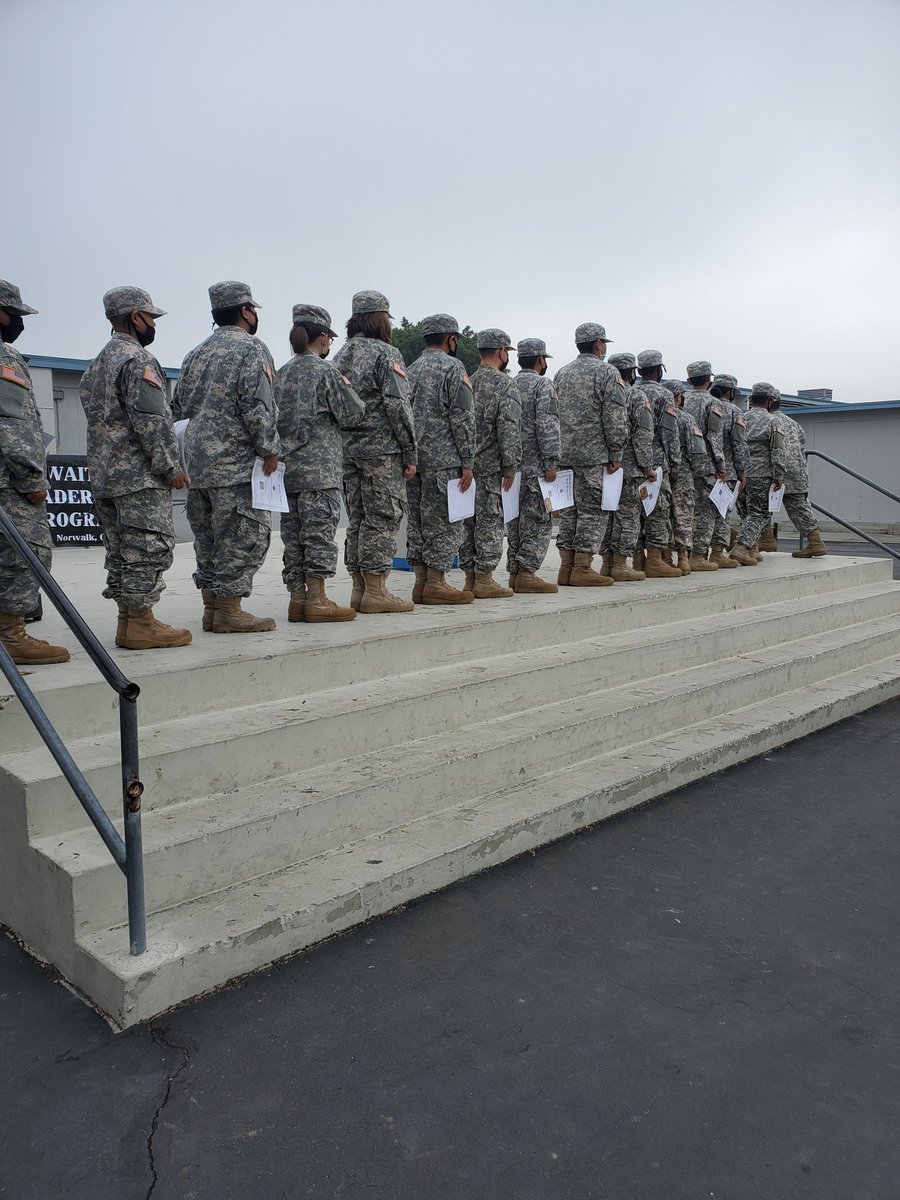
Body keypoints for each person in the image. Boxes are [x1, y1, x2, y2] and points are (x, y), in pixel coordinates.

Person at [79, 286, 190, 649]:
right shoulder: (137, 359)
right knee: (147, 547)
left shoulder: (96, 365)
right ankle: (141, 623)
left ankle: (128, 622)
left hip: (105, 475)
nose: (153, 325)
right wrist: (171, 465)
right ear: (135, 317)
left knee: (120, 551)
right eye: (151, 318)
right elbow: (152, 419)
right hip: (138, 477)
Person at [173, 280, 279, 633]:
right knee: (242, 536)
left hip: (198, 465)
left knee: (207, 538)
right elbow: (258, 405)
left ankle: (212, 609)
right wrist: (269, 448)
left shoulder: (194, 354)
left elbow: (177, 408)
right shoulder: (252, 349)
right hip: (235, 465)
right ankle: (229, 612)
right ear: (246, 311)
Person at [275, 304, 366, 622]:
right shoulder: (326, 371)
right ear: (324, 337)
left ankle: (297, 599)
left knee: (293, 537)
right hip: (319, 471)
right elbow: (353, 413)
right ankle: (317, 599)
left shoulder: (282, 372)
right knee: (318, 534)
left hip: (287, 472)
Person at [332, 290, 416, 614]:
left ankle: (359, 590)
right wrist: (410, 452)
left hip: (347, 451)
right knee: (382, 518)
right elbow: (398, 406)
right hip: (381, 452)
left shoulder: (340, 355)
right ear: (381, 320)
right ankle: (376, 591)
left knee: (357, 519)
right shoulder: (386, 353)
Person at [0, 279, 70, 664]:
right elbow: (13, 425)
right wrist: (31, 479)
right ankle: (10, 634)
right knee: (26, 552)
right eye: (14, 314)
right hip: (8, 482)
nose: (18, 322)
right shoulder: (5, 358)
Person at [405, 313, 476, 605]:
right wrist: (468, 461)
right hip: (445, 460)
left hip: (415, 461)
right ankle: (436, 583)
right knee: (445, 522)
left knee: (418, 523)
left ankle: (421, 583)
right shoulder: (453, 368)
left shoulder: (410, 369)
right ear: (451, 339)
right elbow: (462, 418)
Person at [554, 322, 627, 587]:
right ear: (598, 344)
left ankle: (566, 567)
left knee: (569, 511)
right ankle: (582, 568)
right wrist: (616, 452)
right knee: (592, 511)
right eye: (604, 343)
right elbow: (614, 416)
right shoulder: (607, 372)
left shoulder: (562, 373)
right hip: (594, 455)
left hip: (564, 454)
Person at [459, 328, 521, 599]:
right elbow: (508, 427)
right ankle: (484, 578)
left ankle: (470, 579)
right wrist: (510, 465)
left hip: (468, 468)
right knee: (490, 523)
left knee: (468, 524)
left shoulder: (468, 381)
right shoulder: (505, 384)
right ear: (502, 352)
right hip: (492, 467)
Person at [506, 338, 560, 593]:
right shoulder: (542, 385)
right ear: (540, 359)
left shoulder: (509, 383)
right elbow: (546, 424)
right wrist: (550, 462)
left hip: (512, 468)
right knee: (538, 520)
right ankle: (526, 572)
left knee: (514, 521)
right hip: (535, 467)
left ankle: (515, 573)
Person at [603, 353, 656, 581]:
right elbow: (643, 435)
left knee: (607, 516)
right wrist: (647, 467)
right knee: (628, 516)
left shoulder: (605, 392)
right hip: (631, 468)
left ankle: (606, 564)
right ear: (633, 372)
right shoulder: (636, 396)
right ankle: (620, 565)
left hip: (605, 467)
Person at [632, 350, 682, 579]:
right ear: (659, 370)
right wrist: (675, 465)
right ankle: (654, 559)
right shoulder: (664, 394)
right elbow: (670, 433)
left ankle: (637, 559)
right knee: (658, 511)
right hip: (657, 463)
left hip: (633, 462)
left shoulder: (632, 392)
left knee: (634, 513)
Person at [729, 382, 786, 565]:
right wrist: (779, 475)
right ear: (770, 401)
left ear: (752, 399)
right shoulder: (773, 421)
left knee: (746, 514)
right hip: (762, 474)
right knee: (759, 514)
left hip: (741, 474)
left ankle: (752, 549)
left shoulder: (740, 418)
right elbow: (777, 450)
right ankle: (741, 547)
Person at [769, 389, 827, 558]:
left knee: (757, 506)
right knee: (799, 507)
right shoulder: (793, 424)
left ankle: (764, 539)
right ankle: (815, 542)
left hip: (776, 470)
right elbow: (802, 445)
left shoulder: (766, 421)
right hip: (797, 471)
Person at [682, 360, 727, 571]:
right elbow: (714, 437)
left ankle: (682, 554)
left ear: (689, 380)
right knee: (705, 510)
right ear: (709, 379)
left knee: (683, 510)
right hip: (705, 464)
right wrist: (721, 464)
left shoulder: (681, 399)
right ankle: (698, 555)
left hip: (683, 464)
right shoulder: (713, 403)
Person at [663, 378, 709, 575]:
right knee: (683, 516)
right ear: (679, 397)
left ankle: (665, 558)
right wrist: (698, 473)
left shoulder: (659, 417)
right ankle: (683, 558)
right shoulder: (686, 419)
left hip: (661, 475)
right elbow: (697, 451)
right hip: (683, 476)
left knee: (663, 515)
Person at [708, 372, 749, 567]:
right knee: (722, 513)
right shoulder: (734, 412)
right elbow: (739, 444)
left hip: (704, 469)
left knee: (702, 513)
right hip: (727, 472)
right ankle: (717, 553)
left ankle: (697, 553)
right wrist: (742, 472)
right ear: (732, 392)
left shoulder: (705, 405)